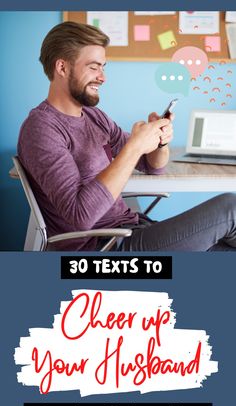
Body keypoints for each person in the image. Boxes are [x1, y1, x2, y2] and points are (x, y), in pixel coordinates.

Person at [18, 21, 236, 251]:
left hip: (133, 230)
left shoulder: (94, 117)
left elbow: (152, 166)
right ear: (62, 68)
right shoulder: (41, 129)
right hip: (106, 246)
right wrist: (134, 146)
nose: (103, 77)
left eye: (104, 67)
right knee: (230, 208)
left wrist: (159, 142)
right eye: (94, 67)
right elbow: (80, 216)